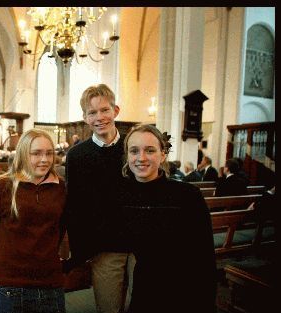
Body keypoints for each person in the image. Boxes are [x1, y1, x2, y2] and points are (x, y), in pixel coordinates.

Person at [116, 124, 216, 313]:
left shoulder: (188, 196)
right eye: (134, 151)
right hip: (145, 288)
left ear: (163, 155)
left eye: (150, 150)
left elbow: (205, 259)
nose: (141, 158)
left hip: (184, 291)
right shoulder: (123, 196)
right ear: (127, 156)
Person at [0, 129, 67, 313]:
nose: (44, 159)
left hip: (49, 283)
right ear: (22, 154)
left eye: (49, 153)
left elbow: (60, 228)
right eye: (36, 153)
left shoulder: (60, 188)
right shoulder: (3, 186)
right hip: (6, 285)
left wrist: (51, 256)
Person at [64, 83, 134, 313]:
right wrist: (80, 252)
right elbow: (74, 206)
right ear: (85, 118)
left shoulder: (133, 147)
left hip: (140, 244)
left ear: (116, 110)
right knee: (109, 308)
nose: (99, 117)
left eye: (105, 110)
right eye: (92, 112)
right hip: (104, 249)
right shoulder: (76, 155)